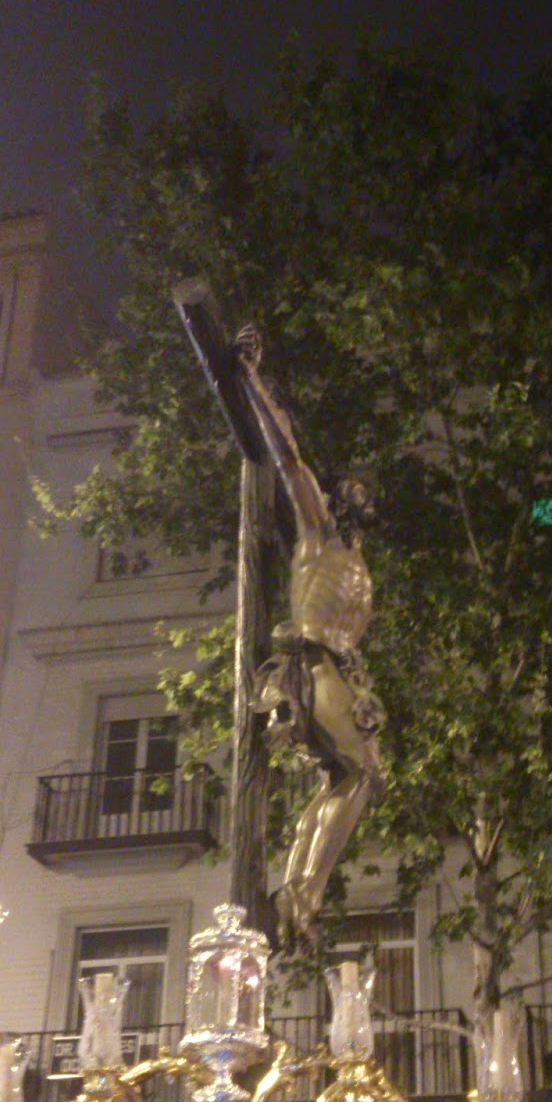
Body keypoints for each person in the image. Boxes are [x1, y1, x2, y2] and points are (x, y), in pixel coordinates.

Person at [231, 325, 384, 947]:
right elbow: (288, 457)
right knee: (361, 774)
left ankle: (296, 893)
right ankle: (304, 894)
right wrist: (250, 378)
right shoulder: (318, 533)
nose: (358, 496)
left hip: (340, 674)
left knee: (343, 779)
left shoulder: (357, 560)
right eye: (352, 489)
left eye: (363, 494)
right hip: (312, 665)